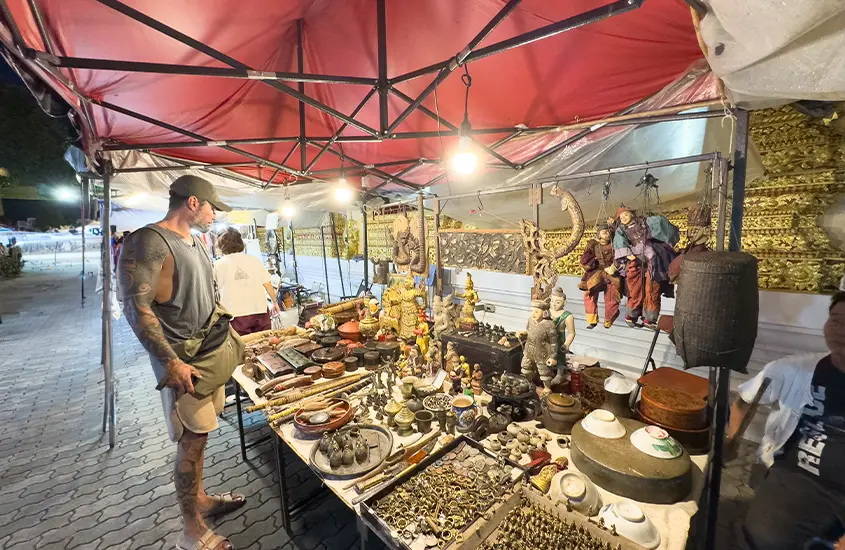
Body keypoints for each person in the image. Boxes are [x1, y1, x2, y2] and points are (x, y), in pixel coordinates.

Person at [118, 175, 245, 550]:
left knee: (202, 438)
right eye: (210, 207)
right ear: (192, 203)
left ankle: (201, 499)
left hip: (211, 356)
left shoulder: (196, 241)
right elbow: (135, 307)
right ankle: (192, 532)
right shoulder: (147, 241)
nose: (213, 215)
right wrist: (170, 363)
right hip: (185, 366)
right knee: (191, 442)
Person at [728, 291, 845, 550]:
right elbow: (746, 399)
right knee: (767, 536)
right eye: (835, 320)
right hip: (799, 478)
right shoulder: (793, 370)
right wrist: (732, 441)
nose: (840, 330)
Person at [214, 227, 280, 336]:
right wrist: (275, 302)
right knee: (267, 344)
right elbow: (267, 284)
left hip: (235, 315)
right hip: (260, 311)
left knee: (244, 348)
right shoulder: (254, 260)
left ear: (220, 245)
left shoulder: (217, 266)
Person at [579, 224, 621, 329]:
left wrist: (614, 267)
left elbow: (620, 258)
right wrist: (591, 256)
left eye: (608, 232)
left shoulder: (615, 245)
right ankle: (592, 319)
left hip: (611, 272)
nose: (607, 234)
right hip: (597, 272)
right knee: (590, 292)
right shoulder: (594, 245)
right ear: (599, 235)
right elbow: (584, 260)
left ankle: (609, 318)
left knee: (612, 294)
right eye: (604, 232)